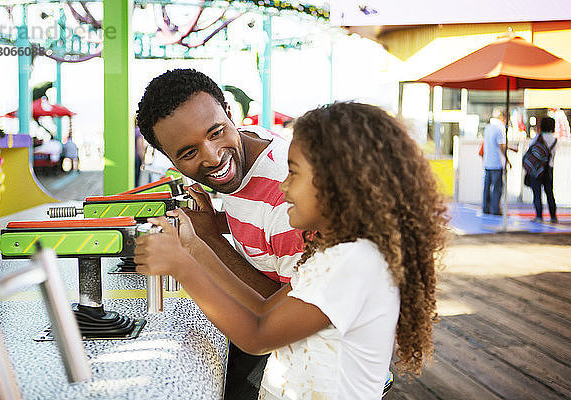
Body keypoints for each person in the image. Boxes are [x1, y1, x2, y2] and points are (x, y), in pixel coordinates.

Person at [134, 102, 449, 399]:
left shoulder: (353, 263)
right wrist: (194, 245)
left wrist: (184, 266)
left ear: (338, 184)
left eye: (293, 172)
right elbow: (262, 308)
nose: (282, 185)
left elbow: (257, 336)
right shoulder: (334, 254)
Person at [136, 69, 303, 399]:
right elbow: (256, 218)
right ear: (169, 159)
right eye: (188, 153)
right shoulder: (249, 140)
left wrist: (205, 243)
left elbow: (281, 313)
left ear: (229, 114)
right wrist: (218, 223)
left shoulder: (291, 196)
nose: (212, 156)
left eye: (215, 133)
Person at [480, 109, 515, 215]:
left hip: (487, 162)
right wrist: (508, 161)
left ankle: (486, 208)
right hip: (496, 162)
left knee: (487, 187)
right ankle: (495, 209)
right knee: (497, 188)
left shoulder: (488, 128)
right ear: (502, 117)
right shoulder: (500, 128)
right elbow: (501, 146)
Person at [529, 117, 558, 223]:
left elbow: (530, 149)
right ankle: (553, 216)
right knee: (550, 193)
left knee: (537, 193)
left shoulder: (538, 138)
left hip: (537, 169)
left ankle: (539, 216)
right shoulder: (554, 139)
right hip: (549, 169)